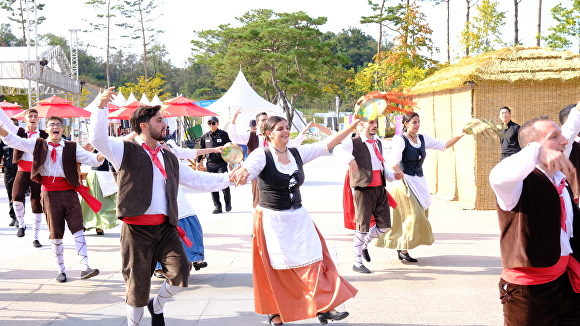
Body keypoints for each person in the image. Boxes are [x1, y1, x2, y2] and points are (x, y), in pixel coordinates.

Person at [90, 87, 234, 326]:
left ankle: (157, 306)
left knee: (180, 272)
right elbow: (97, 139)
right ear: (144, 125)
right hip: (136, 230)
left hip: (166, 227)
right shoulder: (123, 150)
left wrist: (231, 178)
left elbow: (197, 180)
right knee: (137, 286)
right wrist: (100, 107)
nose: (165, 125)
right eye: (159, 121)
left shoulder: (167, 154)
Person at [232, 116, 359, 326]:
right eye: (280, 128)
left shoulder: (296, 153)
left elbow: (327, 143)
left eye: (287, 128)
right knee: (276, 268)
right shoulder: (261, 155)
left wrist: (353, 126)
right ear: (269, 133)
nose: (285, 131)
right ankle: (275, 312)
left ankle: (325, 306)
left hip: (298, 216)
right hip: (273, 219)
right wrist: (244, 172)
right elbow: (250, 169)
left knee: (315, 258)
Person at [489, 115, 580, 325]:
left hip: (567, 282)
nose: (564, 141)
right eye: (554, 137)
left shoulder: (559, 178)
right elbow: (497, 176)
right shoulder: (516, 184)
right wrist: (534, 150)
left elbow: (572, 127)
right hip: (528, 291)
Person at [0, 115, 105, 283]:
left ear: (63, 129)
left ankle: (85, 267)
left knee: (78, 228)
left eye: (58, 125)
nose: (55, 127)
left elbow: (93, 160)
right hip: (49, 193)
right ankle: (61, 270)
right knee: (56, 233)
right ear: (47, 129)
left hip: (70, 192)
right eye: (51, 125)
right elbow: (14, 141)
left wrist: (105, 153)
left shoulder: (72, 147)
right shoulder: (38, 144)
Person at [375, 112, 466, 262]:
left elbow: (444, 145)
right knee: (413, 216)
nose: (417, 125)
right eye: (413, 122)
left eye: (418, 122)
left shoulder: (422, 138)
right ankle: (402, 248)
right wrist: (399, 173)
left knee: (420, 214)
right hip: (404, 183)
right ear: (405, 124)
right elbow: (393, 162)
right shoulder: (400, 139)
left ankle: (402, 247)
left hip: (419, 181)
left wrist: (460, 135)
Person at [152, 139, 224, 278]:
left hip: (175, 196)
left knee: (191, 224)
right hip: (155, 202)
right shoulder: (140, 150)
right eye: (158, 121)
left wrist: (214, 150)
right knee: (159, 236)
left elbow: (191, 154)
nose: (163, 127)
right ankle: (159, 267)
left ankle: (195, 257)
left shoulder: (171, 147)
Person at [334, 118, 395, 274]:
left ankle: (364, 245)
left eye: (375, 123)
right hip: (363, 188)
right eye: (370, 123)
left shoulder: (377, 142)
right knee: (362, 227)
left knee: (385, 225)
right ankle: (357, 261)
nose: (374, 126)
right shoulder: (353, 142)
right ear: (361, 124)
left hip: (380, 188)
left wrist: (389, 174)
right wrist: (350, 159)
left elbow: (380, 163)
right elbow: (337, 150)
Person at [227, 108, 307, 208]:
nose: (265, 121)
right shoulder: (251, 135)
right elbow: (234, 137)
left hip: (274, 169)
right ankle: (257, 212)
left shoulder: (275, 136)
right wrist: (233, 120)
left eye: (267, 119)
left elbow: (293, 144)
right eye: (263, 120)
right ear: (257, 123)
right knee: (258, 193)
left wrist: (303, 133)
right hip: (257, 169)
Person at [0, 108, 47, 247]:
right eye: (30, 116)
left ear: (38, 119)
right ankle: (21, 224)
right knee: (16, 197)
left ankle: (36, 237)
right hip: (22, 169)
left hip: (37, 171)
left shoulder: (44, 135)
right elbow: (6, 122)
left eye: (35, 116)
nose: (33, 118)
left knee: (36, 202)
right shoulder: (19, 131)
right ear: (25, 119)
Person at [80, 143, 119, 235]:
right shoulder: (95, 141)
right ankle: (90, 224)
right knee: (94, 201)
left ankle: (95, 225)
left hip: (107, 175)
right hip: (97, 175)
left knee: (112, 200)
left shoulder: (110, 141)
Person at [196, 116, 233, 214]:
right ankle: (217, 206)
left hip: (221, 162)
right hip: (210, 163)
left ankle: (228, 203)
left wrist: (231, 162)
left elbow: (230, 148)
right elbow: (201, 150)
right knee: (213, 185)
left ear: (217, 124)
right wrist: (198, 162)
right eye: (209, 123)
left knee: (224, 182)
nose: (211, 125)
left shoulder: (223, 134)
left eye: (213, 123)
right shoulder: (205, 137)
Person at [1, 118, 20, 227]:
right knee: (10, 193)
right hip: (9, 170)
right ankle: (13, 216)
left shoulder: (20, 138)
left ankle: (19, 217)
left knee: (18, 194)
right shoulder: (4, 140)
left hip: (20, 169)